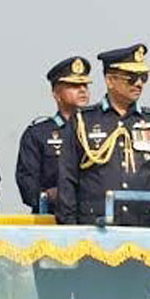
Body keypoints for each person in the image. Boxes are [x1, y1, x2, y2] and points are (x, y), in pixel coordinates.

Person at [55, 43, 150, 227]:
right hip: (95, 230)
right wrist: (70, 231)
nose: (139, 83)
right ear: (110, 80)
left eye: (143, 77)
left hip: (144, 229)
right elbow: (67, 180)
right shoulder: (82, 121)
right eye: (131, 78)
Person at [16, 56, 92, 214]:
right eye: (74, 85)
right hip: (51, 220)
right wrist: (50, 195)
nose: (82, 90)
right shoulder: (38, 134)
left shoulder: (98, 131)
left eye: (85, 85)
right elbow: (27, 184)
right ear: (57, 94)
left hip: (90, 217)